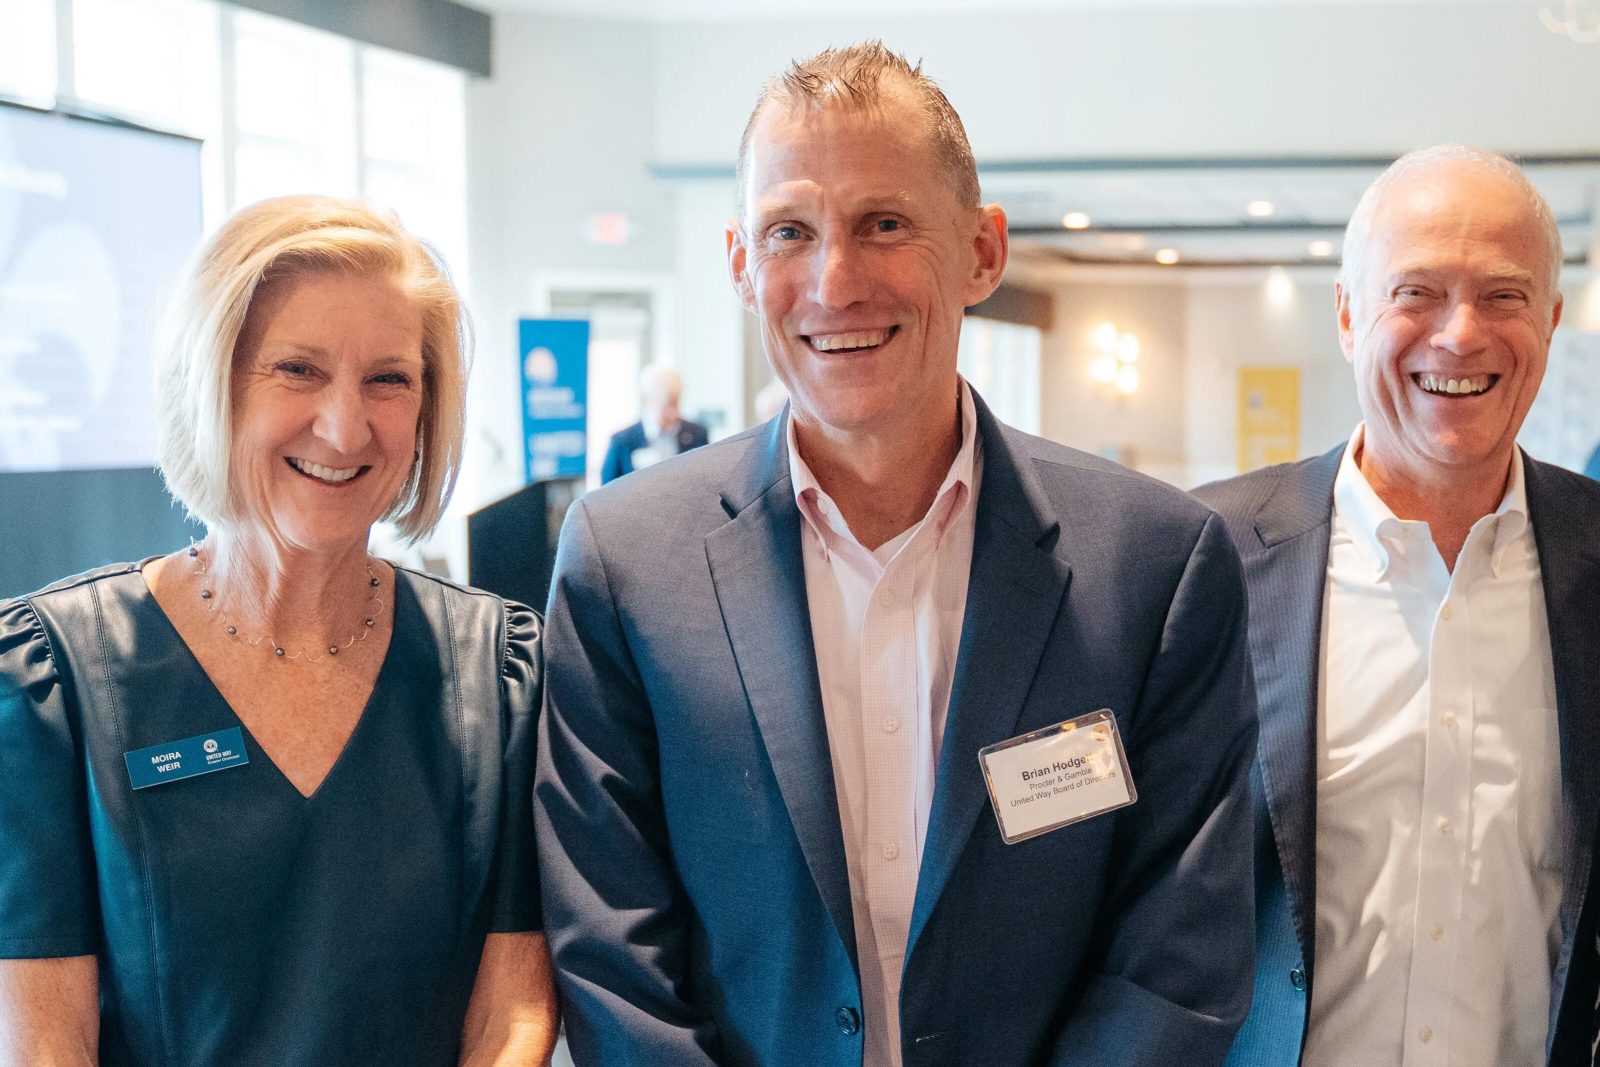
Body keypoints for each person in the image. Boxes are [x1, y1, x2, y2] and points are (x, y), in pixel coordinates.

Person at [537, 42, 1257, 1067]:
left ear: (980, 251)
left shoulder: (1156, 562)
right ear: (743, 265)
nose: (836, 280)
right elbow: (611, 946)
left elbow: (1178, 951)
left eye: (884, 223)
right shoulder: (625, 562)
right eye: (790, 230)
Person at [0, 195, 559, 1066]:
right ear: (211, 383)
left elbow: (514, 1017)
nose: (345, 426)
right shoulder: (57, 679)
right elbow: (44, 1044)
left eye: (389, 379)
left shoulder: (500, 673)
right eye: (297, 370)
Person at [1194, 146, 1600, 1066]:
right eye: (1414, 292)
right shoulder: (1202, 556)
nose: (1461, 335)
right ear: (1347, 313)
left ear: (1552, 317)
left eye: (1503, 295)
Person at [598, 363, 709, 483]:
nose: (672, 413)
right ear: (647, 400)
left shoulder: (697, 435)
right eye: (665, 406)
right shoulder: (622, 441)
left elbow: (706, 481)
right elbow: (607, 491)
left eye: (675, 404)